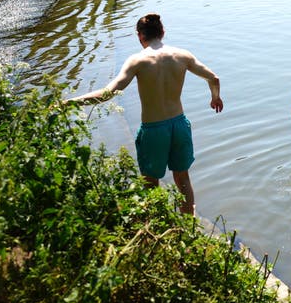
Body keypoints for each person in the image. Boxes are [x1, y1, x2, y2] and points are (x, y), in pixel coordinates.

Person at [69, 13, 222, 215]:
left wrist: (70, 103)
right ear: (162, 32)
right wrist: (215, 97)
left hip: (154, 130)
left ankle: (154, 226)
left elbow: (107, 93)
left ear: (140, 36)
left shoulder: (137, 60)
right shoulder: (183, 55)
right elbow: (214, 78)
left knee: (150, 182)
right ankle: (189, 228)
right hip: (179, 125)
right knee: (183, 178)